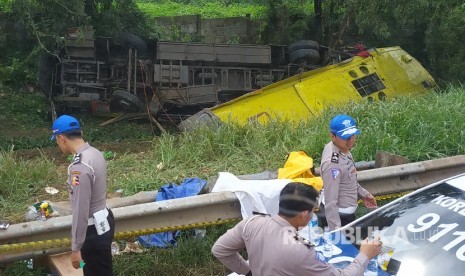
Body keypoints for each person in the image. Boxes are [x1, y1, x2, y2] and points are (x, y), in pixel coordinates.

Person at [212, 182, 382, 276]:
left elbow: (220, 249)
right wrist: (365, 255)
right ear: (303, 215)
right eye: (313, 211)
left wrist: (249, 272)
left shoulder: (252, 223)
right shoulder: (299, 250)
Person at [51, 115, 114, 275]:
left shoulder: (80, 168)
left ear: (61, 138)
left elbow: (80, 211)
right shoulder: (95, 153)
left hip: (92, 233)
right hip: (105, 221)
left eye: (56, 140)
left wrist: (76, 248)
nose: (58, 145)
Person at [319, 114, 377, 231]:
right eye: (346, 136)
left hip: (345, 213)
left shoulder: (342, 149)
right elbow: (331, 202)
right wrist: (336, 232)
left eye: (352, 135)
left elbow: (349, 177)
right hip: (339, 217)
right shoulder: (332, 165)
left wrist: (363, 194)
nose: (351, 140)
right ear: (332, 136)